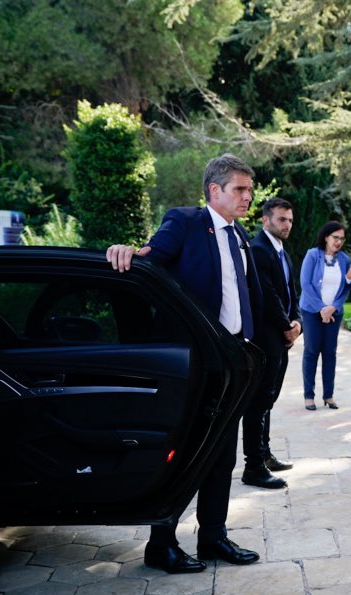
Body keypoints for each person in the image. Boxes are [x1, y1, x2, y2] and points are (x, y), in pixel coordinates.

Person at [105, 153, 261, 573]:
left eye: (249, 189)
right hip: (193, 361)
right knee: (185, 452)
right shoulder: (186, 221)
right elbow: (151, 259)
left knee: (223, 455)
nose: (248, 196)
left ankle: (213, 537)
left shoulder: (240, 236)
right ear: (215, 190)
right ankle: (162, 543)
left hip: (233, 360)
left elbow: (244, 294)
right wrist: (126, 251)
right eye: (240, 189)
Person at [241, 198, 301, 486]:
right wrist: (287, 326)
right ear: (265, 220)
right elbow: (267, 297)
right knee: (258, 400)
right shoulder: (259, 250)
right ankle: (253, 466)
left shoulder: (282, 251)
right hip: (265, 338)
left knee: (269, 398)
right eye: (281, 219)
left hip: (282, 337)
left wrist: (297, 321)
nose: (287, 224)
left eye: (289, 220)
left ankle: (264, 454)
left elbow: (292, 293)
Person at [298, 221, 351, 409]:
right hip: (311, 311)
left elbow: (345, 289)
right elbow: (305, 284)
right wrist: (322, 308)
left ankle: (328, 395)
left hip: (334, 314)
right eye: (335, 237)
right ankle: (309, 396)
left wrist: (333, 308)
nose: (339, 242)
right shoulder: (312, 255)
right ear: (326, 237)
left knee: (330, 353)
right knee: (311, 352)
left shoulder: (344, 259)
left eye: (341, 238)